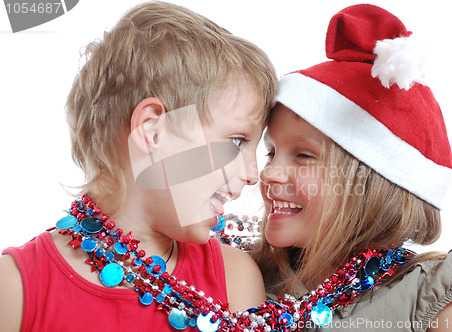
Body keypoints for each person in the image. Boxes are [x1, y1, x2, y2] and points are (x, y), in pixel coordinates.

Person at [0, 1, 277, 331]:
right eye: (236, 141)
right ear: (152, 130)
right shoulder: (16, 288)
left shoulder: (235, 280)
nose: (251, 174)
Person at [253, 4, 452, 332]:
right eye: (270, 153)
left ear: (373, 181)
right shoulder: (250, 276)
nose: (268, 173)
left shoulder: (434, 295)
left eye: (304, 156)